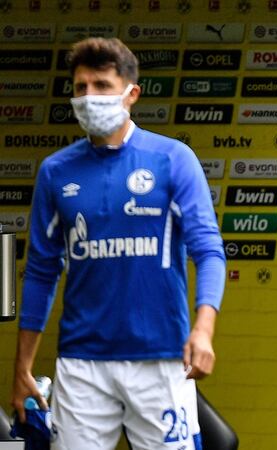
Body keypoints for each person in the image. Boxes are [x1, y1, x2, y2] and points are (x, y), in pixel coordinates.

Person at [10, 37, 225, 450]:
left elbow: (208, 250)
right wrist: (21, 366)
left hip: (162, 359)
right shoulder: (55, 172)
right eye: (80, 87)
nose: (89, 96)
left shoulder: (171, 158)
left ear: (131, 94)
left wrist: (203, 329)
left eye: (102, 85)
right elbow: (40, 271)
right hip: (82, 362)